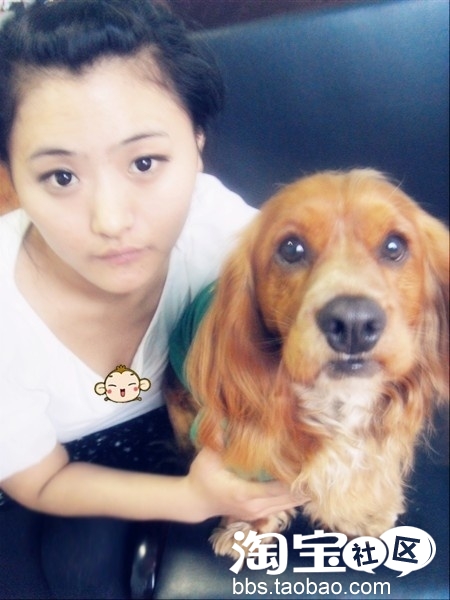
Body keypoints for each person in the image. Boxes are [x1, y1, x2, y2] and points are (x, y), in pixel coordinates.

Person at [0, 1, 299, 598]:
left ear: (197, 143)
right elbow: (39, 480)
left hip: (198, 431)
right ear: (10, 173)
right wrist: (191, 499)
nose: (111, 221)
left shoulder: (224, 234)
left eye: (144, 162)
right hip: (57, 471)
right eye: (61, 177)